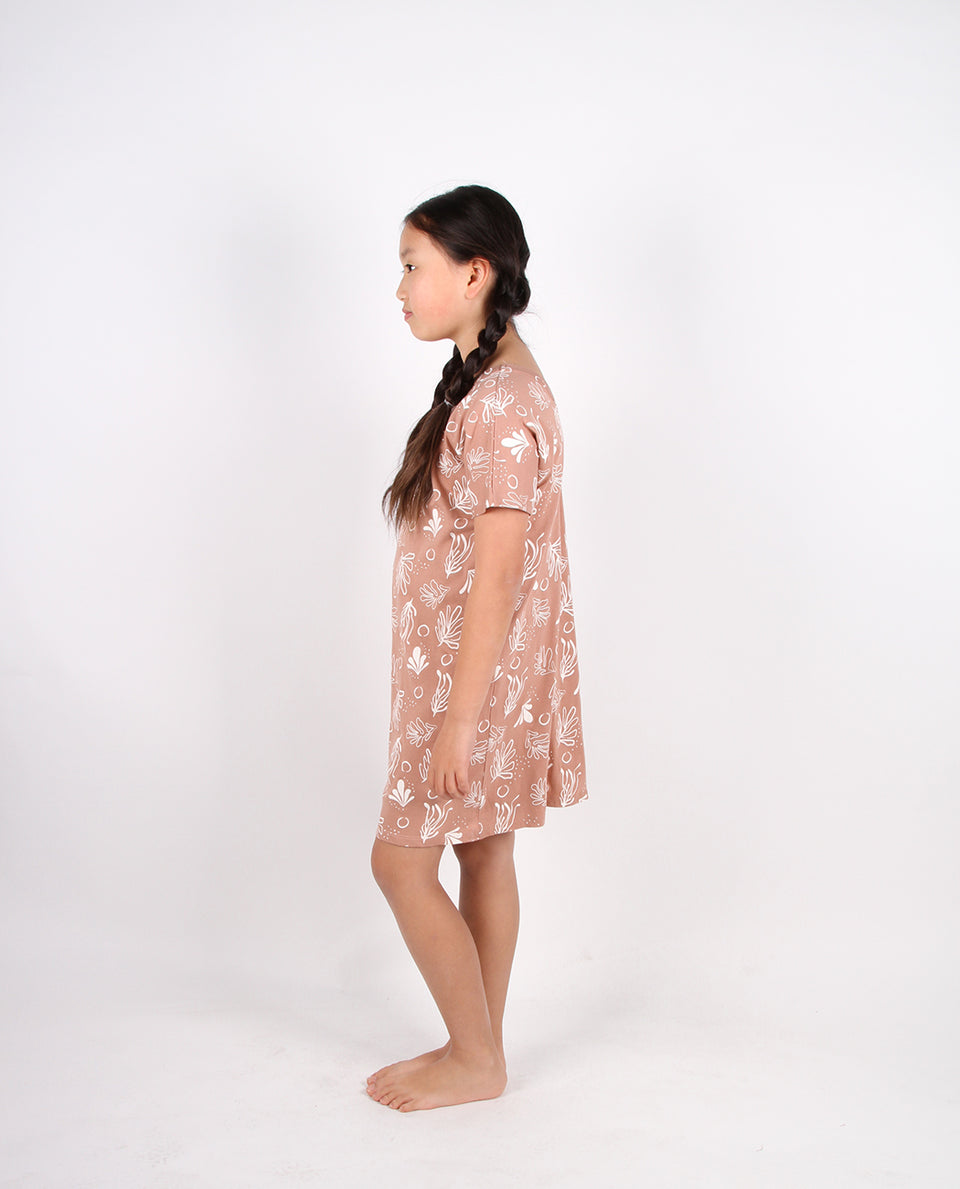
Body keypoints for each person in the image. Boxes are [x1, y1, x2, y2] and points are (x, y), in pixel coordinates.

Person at [367, 184, 588, 1112]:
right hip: (482, 674)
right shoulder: (494, 384)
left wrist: (459, 721)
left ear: (474, 274)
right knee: (484, 852)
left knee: (400, 861)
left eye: (412, 266)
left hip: (470, 684)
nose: (400, 288)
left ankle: (473, 1056)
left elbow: (498, 576)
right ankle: (479, 1050)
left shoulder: (499, 405)